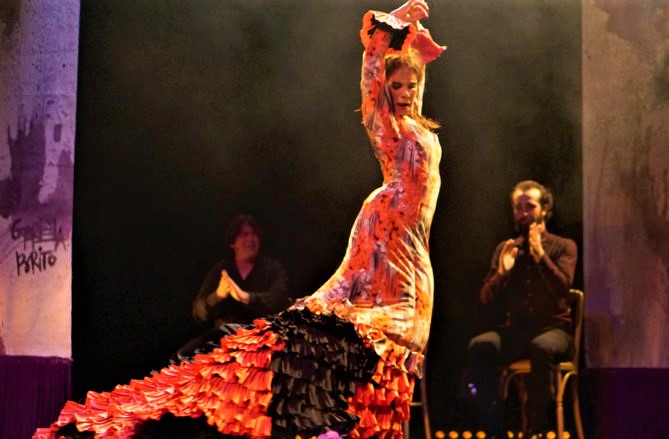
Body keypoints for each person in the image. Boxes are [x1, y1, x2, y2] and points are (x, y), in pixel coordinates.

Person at [35, 1, 444, 438]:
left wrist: (410, 47)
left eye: (410, 85)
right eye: (396, 86)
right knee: (357, 350)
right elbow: (373, 101)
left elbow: (408, 94)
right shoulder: (392, 142)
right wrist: (382, 42)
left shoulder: (417, 133)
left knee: (391, 356)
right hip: (384, 262)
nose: (403, 93)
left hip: (410, 273)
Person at [466, 180, 577, 439]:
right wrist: (502, 274)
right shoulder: (508, 248)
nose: (524, 212)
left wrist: (541, 257)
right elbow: (485, 299)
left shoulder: (563, 246)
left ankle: (534, 431)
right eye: (518, 207)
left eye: (530, 206)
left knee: (542, 347)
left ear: (545, 209)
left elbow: (564, 289)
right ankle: (496, 431)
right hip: (517, 331)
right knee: (481, 346)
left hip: (555, 330)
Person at [175, 214, 290, 362]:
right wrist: (217, 295)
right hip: (226, 340)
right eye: (244, 234)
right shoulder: (222, 269)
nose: (251, 239)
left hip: (263, 337)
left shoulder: (272, 267)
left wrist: (246, 297)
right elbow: (198, 312)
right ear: (232, 242)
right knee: (185, 356)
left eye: (254, 234)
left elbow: (281, 299)